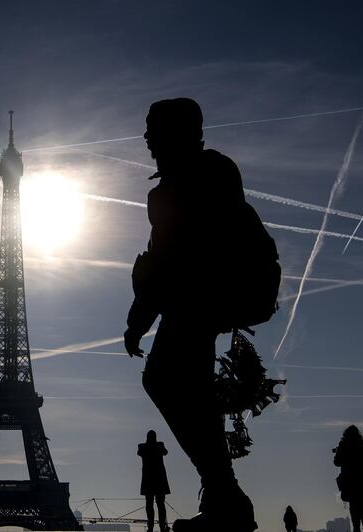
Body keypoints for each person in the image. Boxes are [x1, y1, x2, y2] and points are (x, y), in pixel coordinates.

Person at [124, 98, 256, 532]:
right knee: (183, 385)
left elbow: (167, 258)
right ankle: (223, 493)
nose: (145, 138)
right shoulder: (207, 173)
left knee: (164, 378)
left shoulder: (187, 182)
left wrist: (139, 320)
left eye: (152, 129)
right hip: (212, 294)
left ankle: (224, 492)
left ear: (174, 133)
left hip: (205, 294)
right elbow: (167, 258)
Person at [333, 425, 363, 532]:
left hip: (350, 487)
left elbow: (336, 462)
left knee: (355, 519)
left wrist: (341, 450)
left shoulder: (344, 448)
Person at [138, 430, 170, 532]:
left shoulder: (143, 447)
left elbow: (140, 453)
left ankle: (151, 527)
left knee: (150, 505)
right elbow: (165, 452)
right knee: (160, 505)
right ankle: (161, 526)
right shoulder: (159, 445)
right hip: (159, 479)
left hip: (148, 480)